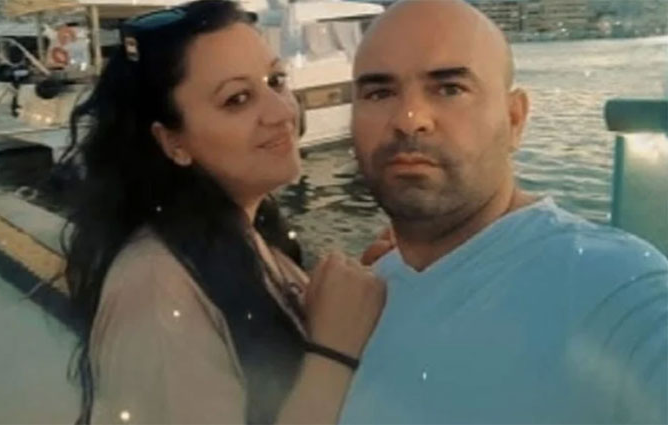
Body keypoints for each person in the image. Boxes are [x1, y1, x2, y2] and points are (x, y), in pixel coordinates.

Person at [339, 0, 668, 423]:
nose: (409, 119)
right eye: (379, 93)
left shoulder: (613, 286)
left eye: (449, 89)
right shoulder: (362, 299)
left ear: (514, 119)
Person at [59, 1, 386, 423]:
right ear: (173, 141)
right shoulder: (155, 291)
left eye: (276, 81)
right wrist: (335, 350)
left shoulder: (244, 235)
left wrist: (354, 296)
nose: (283, 112)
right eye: (237, 99)